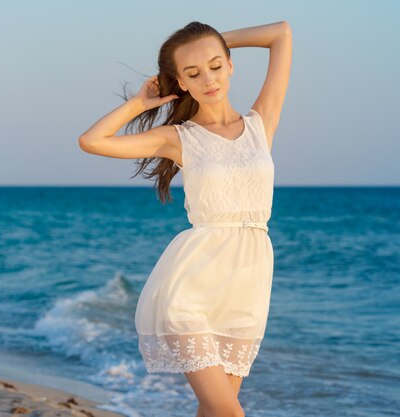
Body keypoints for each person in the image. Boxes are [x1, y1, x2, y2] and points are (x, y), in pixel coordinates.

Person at [78, 20, 292, 417]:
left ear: (230, 65)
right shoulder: (179, 138)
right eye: (193, 73)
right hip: (191, 288)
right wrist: (140, 103)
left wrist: (213, 42)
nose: (208, 78)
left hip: (248, 287)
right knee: (231, 413)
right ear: (180, 82)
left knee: (213, 411)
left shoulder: (261, 124)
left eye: (214, 65)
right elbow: (92, 141)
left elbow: (281, 34)